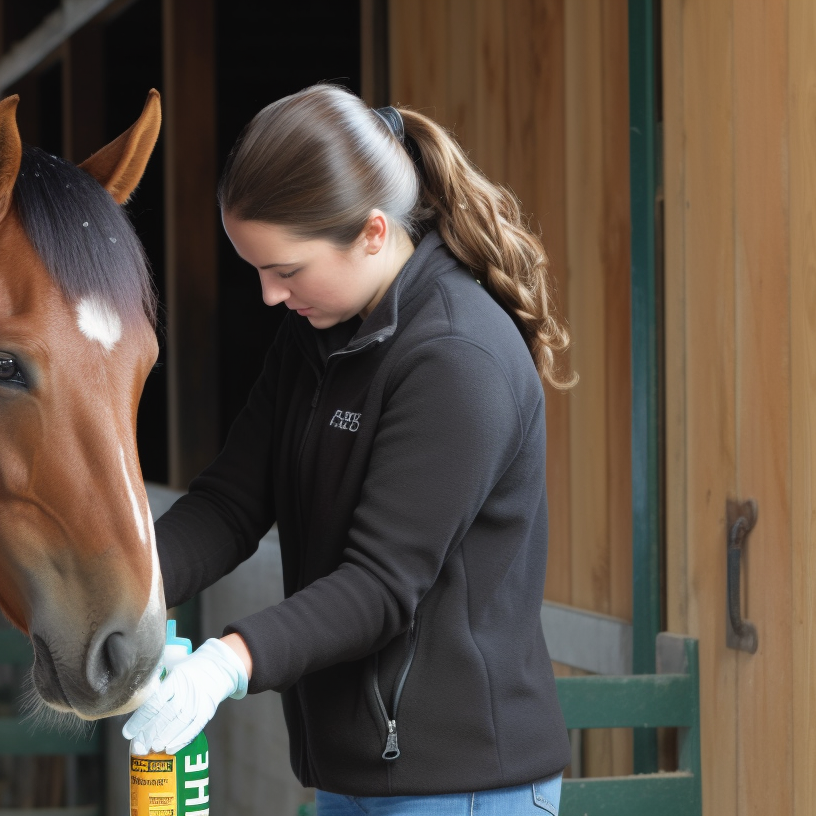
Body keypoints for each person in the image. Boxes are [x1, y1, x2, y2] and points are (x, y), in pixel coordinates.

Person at [121, 84, 574, 815]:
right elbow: (232, 503)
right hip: (353, 772)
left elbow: (380, 586)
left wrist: (225, 663)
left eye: (287, 270)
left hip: (463, 787)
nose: (269, 296)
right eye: (257, 270)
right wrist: (121, 586)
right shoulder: (314, 338)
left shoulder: (456, 357)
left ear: (370, 232)